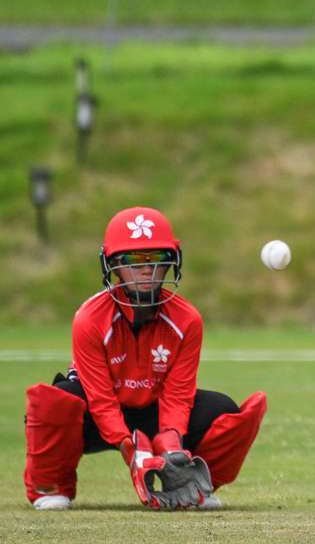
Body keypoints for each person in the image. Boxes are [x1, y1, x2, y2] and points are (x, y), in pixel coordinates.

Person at [24, 207, 267, 510]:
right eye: (133, 260)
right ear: (112, 265)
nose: (146, 269)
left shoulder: (187, 319)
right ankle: (51, 485)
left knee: (223, 411)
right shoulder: (89, 318)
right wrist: (130, 449)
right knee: (55, 401)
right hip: (98, 415)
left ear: (171, 264)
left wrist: (171, 443)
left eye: (156, 259)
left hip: (154, 410)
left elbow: (178, 394)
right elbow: (99, 399)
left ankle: (193, 486)